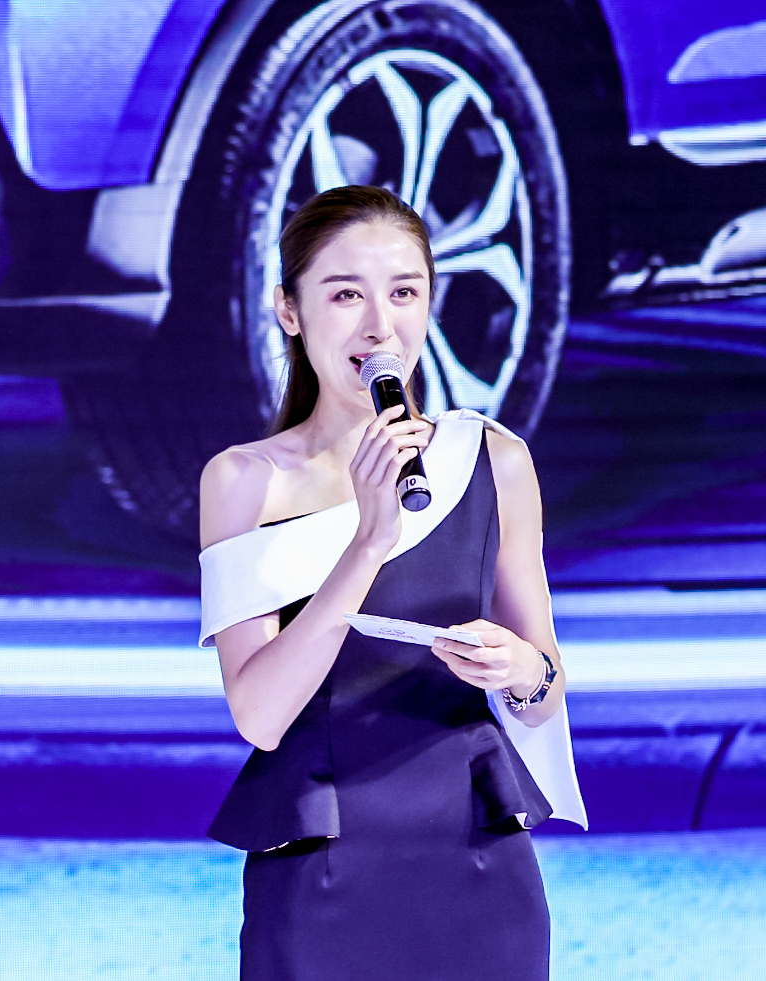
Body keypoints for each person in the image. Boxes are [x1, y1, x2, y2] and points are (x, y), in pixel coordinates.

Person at [197, 185, 583, 981]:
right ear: (289, 310)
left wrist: (519, 669)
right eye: (346, 295)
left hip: (478, 864)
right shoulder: (242, 480)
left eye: (403, 292)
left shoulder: (493, 460)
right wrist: (369, 540)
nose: (380, 326)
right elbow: (259, 714)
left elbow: (544, 689)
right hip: (322, 871)